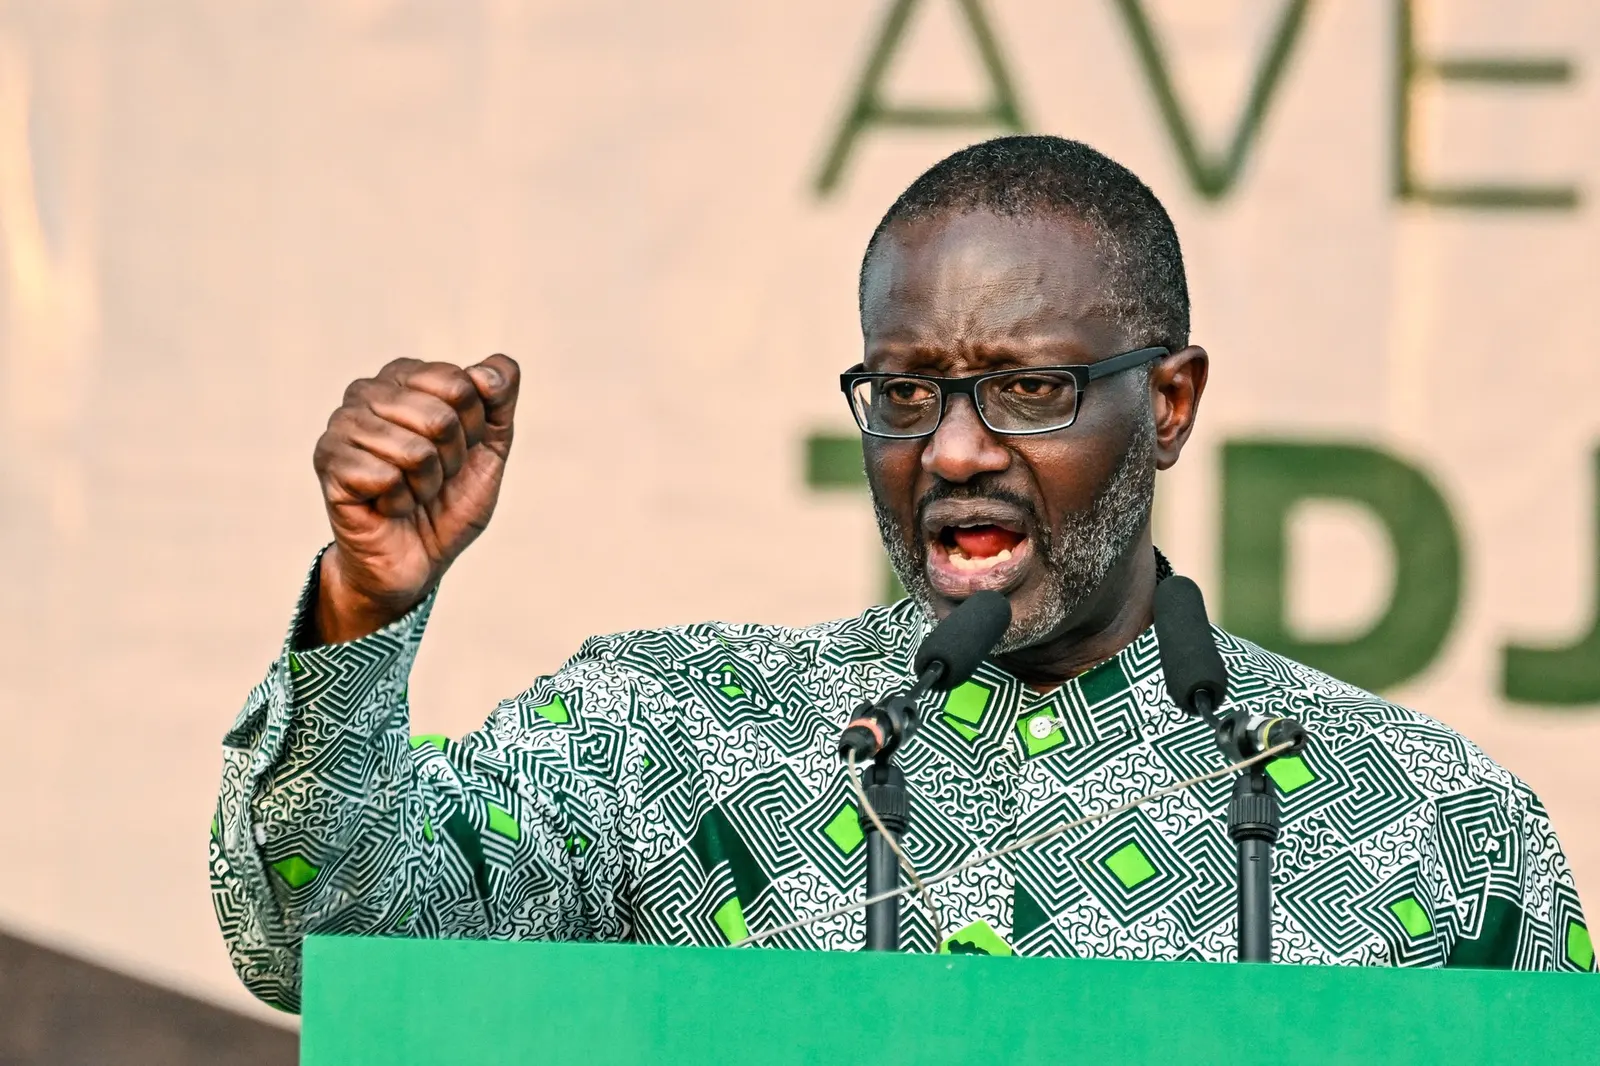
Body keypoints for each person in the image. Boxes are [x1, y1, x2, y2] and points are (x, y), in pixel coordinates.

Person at [210, 136, 1593, 1011]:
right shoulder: (663, 736)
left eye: (1033, 388)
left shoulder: (1440, 827)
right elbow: (322, 943)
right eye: (908, 391)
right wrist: (364, 607)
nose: (958, 449)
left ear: (1169, 402)